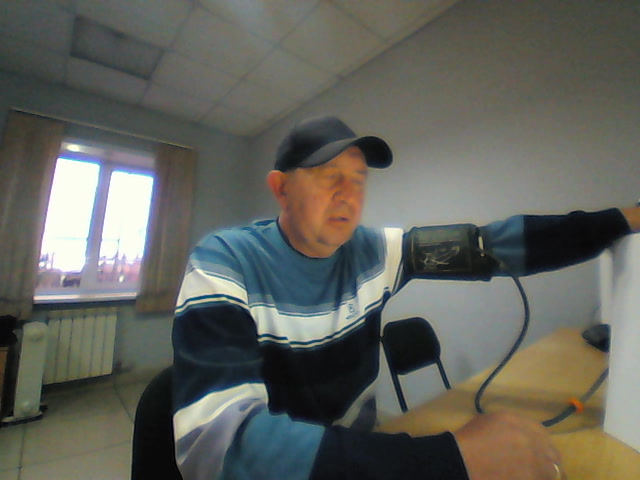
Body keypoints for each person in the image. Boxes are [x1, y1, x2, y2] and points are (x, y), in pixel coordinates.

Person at [172, 115, 639, 480]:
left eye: (358, 179)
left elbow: (492, 245)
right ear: (281, 188)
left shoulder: (378, 252)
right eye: (328, 176)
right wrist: (450, 460)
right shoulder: (226, 262)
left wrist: (622, 220)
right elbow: (219, 448)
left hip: (366, 449)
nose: (348, 195)